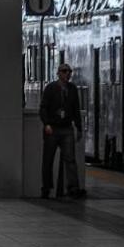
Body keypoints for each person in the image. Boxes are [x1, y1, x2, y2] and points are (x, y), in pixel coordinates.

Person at [40, 63, 86, 199]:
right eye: (64, 71)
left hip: (66, 128)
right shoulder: (50, 88)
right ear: (58, 73)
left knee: (70, 159)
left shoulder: (72, 89)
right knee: (48, 159)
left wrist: (79, 127)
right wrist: (46, 123)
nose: (67, 74)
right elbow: (43, 108)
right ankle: (46, 187)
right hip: (52, 128)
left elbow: (76, 110)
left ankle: (73, 187)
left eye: (69, 71)